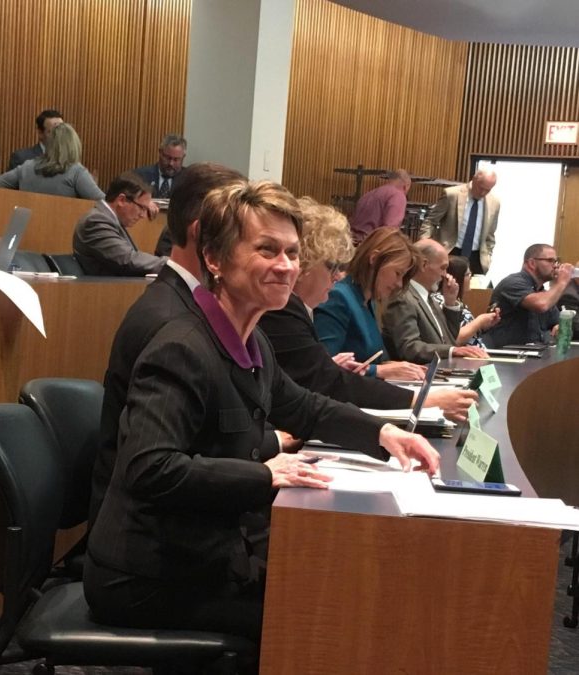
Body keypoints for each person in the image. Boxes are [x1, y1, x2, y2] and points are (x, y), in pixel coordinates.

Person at [84, 179, 438, 654]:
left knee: (340, 584)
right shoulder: (180, 347)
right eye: (267, 250)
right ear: (214, 258)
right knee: (322, 615)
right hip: (146, 572)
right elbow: (150, 467)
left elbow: (303, 406)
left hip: (205, 548)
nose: (287, 266)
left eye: (293, 252)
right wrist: (262, 474)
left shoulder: (252, 339)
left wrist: (385, 432)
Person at [91, 162, 248, 529]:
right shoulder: (169, 319)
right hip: (144, 531)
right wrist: (264, 467)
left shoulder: (190, 302)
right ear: (203, 234)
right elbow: (154, 465)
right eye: (240, 231)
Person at [259, 198, 477, 419]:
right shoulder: (319, 302)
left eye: (292, 255)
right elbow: (324, 379)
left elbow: (318, 374)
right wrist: (419, 400)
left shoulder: (368, 302)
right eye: (331, 266)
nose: (337, 275)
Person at [312, 228, 425, 380]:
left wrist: (402, 367)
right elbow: (327, 365)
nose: (399, 284)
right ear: (374, 258)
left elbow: (374, 358)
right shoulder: (338, 297)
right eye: (398, 273)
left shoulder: (369, 301)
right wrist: (379, 370)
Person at [382, 239, 488, 363]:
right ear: (423, 265)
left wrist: (450, 303)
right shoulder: (402, 298)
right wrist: (451, 351)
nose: (445, 275)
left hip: (443, 370)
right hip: (418, 374)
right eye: (443, 268)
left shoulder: (429, 297)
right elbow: (410, 348)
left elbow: (449, 340)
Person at [483, 243, 575, 347]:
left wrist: (559, 326)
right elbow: (541, 305)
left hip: (533, 354)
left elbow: (561, 325)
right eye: (550, 261)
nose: (555, 266)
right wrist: (562, 282)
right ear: (532, 263)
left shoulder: (542, 292)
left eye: (556, 261)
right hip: (505, 355)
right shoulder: (513, 282)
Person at [72, 173, 165, 276]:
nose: (143, 215)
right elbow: (128, 259)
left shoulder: (110, 220)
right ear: (121, 200)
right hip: (104, 289)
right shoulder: (95, 221)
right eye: (141, 207)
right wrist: (171, 265)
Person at [0, 123, 104, 200]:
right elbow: (103, 203)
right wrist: (91, 184)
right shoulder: (76, 172)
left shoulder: (27, 167)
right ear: (75, 146)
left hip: (27, 226)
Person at [419, 168, 499, 274]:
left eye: (488, 190)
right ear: (474, 179)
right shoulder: (452, 194)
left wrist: (488, 257)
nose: (483, 192)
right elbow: (430, 221)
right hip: (450, 251)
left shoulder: (494, 203)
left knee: (471, 290)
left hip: (476, 257)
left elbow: (490, 235)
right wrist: (426, 246)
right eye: (481, 188)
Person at [436, 255, 500, 348]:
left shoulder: (458, 302)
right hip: (463, 359)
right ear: (456, 277)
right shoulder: (441, 300)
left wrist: (485, 325)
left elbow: (468, 333)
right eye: (468, 275)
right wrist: (480, 321)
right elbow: (454, 338)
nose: (470, 278)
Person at [348, 169, 411, 245]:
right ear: (406, 186)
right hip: (371, 247)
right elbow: (390, 230)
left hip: (352, 243)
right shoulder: (398, 195)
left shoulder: (368, 194)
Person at [133, 133, 187, 199]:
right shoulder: (140, 176)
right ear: (160, 152)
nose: (171, 163)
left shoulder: (188, 179)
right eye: (168, 158)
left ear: (183, 157)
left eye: (176, 159)